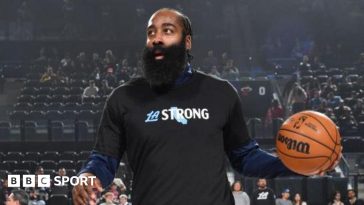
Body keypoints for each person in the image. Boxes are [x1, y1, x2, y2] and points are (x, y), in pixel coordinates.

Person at [72, 8, 337, 205]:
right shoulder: (124, 97)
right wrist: (88, 175)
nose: (156, 38)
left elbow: (244, 157)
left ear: (187, 42)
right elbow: (104, 159)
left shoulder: (220, 93)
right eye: (151, 33)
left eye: (167, 30)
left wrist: (293, 164)